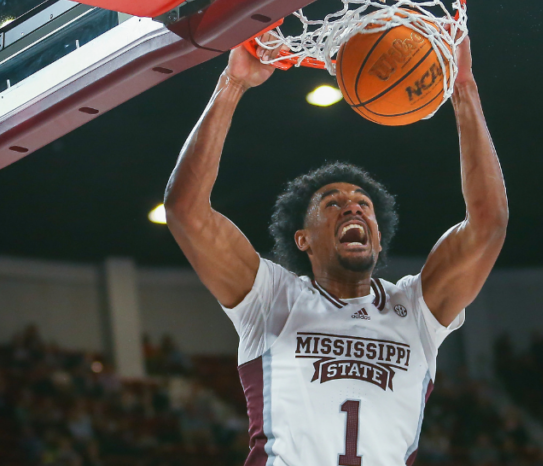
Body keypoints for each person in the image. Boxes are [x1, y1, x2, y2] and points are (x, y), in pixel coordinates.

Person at [164, 36, 508, 464]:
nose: (353, 207)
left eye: (364, 205)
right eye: (333, 204)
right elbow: (186, 211)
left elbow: (487, 224)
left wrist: (464, 91)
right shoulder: (272, 296)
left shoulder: (415, 308)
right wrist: (232, 84)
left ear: (378, 237)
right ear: (302, 238)